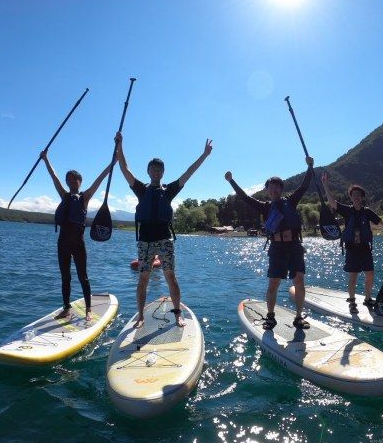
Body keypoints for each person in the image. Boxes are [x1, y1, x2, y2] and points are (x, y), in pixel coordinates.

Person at [115, 132, 212, 328]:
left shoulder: (169, 191)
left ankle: (177, 313)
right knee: (143, 279)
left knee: (171, 278)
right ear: (149, 171)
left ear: (163, 172)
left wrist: (204, 155)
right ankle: (141, 316)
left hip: (164, 240)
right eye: (153, 169)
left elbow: (189, 172)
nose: (156, 172)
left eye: (159, 170)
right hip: (145, 241)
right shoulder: (141, 189)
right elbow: (124, 167)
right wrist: (120, 144)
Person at [225, 157, 314, 330]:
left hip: (294, 247)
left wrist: (310, 167)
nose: (273, 189)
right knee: (274, 283)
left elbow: (304, 186)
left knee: (299, 281)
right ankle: (271, 316)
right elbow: (244, 197)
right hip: (277, 249)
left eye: (277, 186)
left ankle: (298, 317)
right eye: (270, 187)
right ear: (267, 190)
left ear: (281, 189)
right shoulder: (264, 207)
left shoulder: (291, 201)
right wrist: (231, 181)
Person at [41, 148, 115, 322]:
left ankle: (88, 309)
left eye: (75, 179)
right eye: (69, 180)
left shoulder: (85, 197)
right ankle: (67, 308)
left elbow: (100, 179)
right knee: (65, 277)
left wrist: (113, 163)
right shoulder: (64, 195)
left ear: (80, 182)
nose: (71, 182)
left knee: (83, 276)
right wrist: (45, 159)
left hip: (78, 243)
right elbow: (54, 176)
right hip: (63, 243)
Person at [322, 172, 383, 314]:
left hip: (365, 248)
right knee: (353, 277)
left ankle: (368, 299)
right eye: (354, 195)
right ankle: (352, 302)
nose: (356, 197)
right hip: (352, 249)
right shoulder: (346, 210)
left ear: (362, 197)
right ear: (351, 197)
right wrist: (325, 185)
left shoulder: (367, 212)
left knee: (370, 274)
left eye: (359, 195)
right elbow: (332, 202)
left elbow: (381, 222)